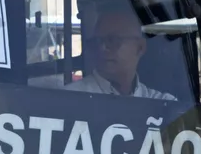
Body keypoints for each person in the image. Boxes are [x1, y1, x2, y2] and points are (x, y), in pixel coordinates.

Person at [32, 8, 177, 100]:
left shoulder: (163, 105)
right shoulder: (68, 100)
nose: (102, 48)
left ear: (140, 48)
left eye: (113, 40)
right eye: (97, 41)